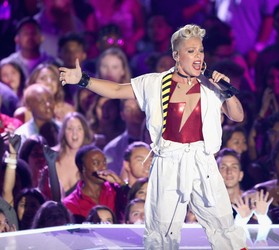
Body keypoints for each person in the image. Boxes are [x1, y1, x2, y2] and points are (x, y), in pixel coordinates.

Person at [59, 24, 247, 249]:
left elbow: (237, 116)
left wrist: (225, 90)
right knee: (161, 231)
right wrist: (83, 80)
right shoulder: (156, 83)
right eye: (191, 51)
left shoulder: (210, 86)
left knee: (223, 225)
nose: (198, 56)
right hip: (168, 162)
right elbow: (118, 90)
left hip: (202, 162)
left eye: (200, 51)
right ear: (176, 55)